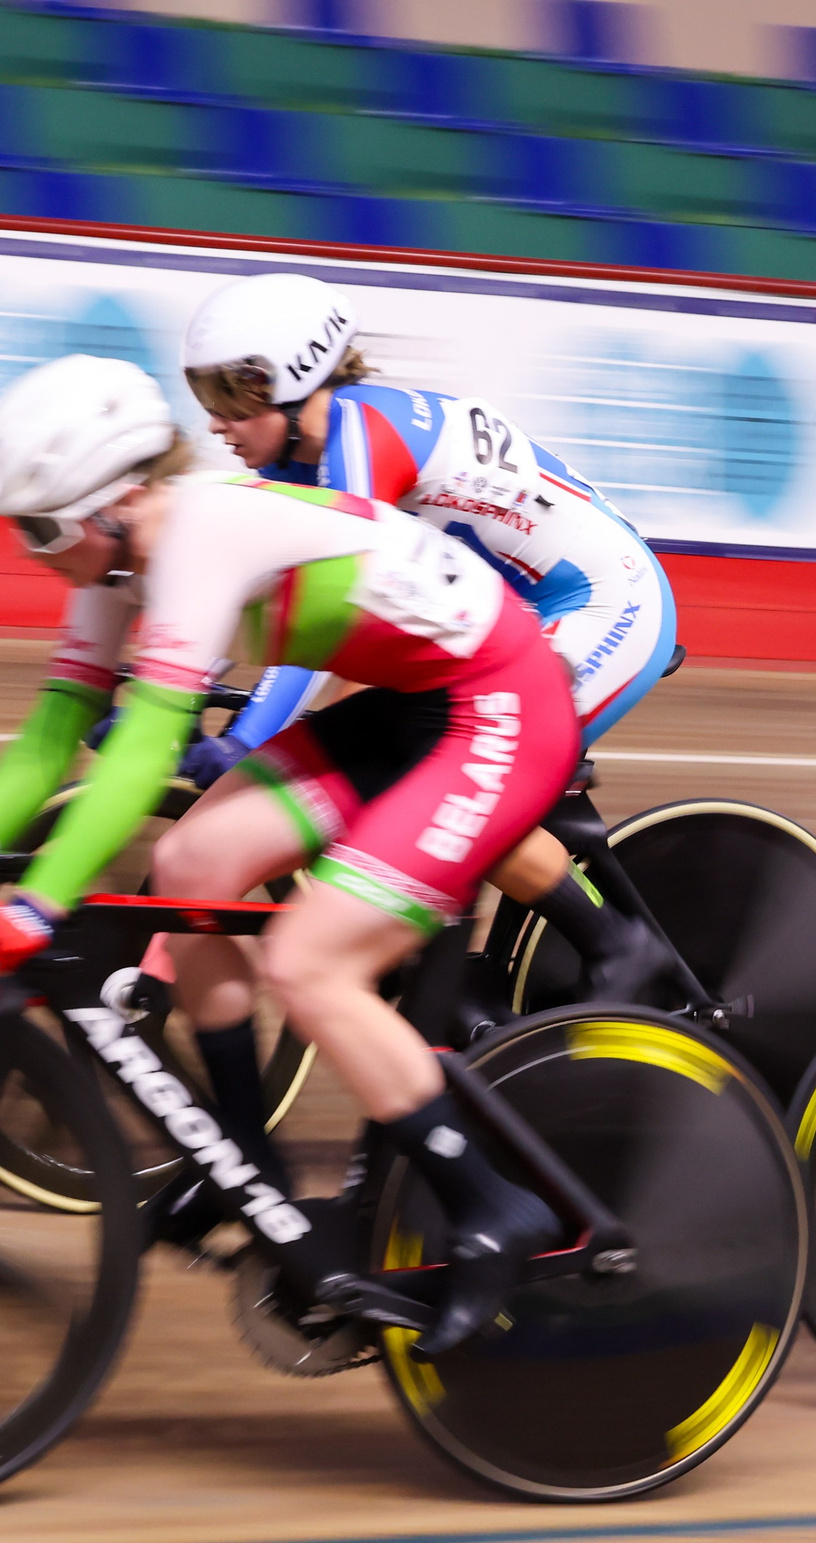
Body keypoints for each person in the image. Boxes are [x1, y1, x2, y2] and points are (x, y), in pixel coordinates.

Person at [0, 353, 579, 1357]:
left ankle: (494, 1205)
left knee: (310, 964)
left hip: (496, 706)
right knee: (190, 866)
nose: (33, 554)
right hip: (410, 709)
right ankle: (242, 1159)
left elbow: (140, 748)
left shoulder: (198, 531)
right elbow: (52, 739)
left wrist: (37, 907)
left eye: (38, 532)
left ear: (102, 507)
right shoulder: (121, 558)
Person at [179, 272, 676, 996]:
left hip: (602, 605)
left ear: (284, 382)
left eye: (225, 398)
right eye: (204, 399)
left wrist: (250, 733)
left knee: (462, 772)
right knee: (390, 749)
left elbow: (317, 610)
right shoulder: (302, 449)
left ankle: (616, 943)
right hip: (503, 619)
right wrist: (185, 682)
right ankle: (439, 963)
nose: (214, 423)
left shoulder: (359, 438)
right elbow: (246, 580)